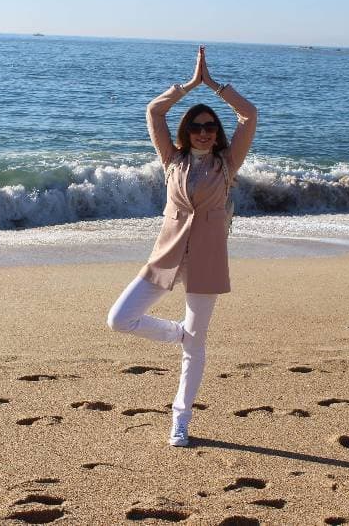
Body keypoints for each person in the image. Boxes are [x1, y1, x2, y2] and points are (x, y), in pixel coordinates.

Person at [107, 45, 258, 447]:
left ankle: (181, 420)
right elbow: (154, 112)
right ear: (186, 132)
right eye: (197, 126)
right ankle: (176, 333)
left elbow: (250, 115)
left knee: (198, 347)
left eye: (210, 126)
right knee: (119, 319)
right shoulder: (171, 160)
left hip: (207, 263)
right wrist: (189, 86)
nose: (205, 131)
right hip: (166, 257)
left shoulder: (228, 164)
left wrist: (217, 87)